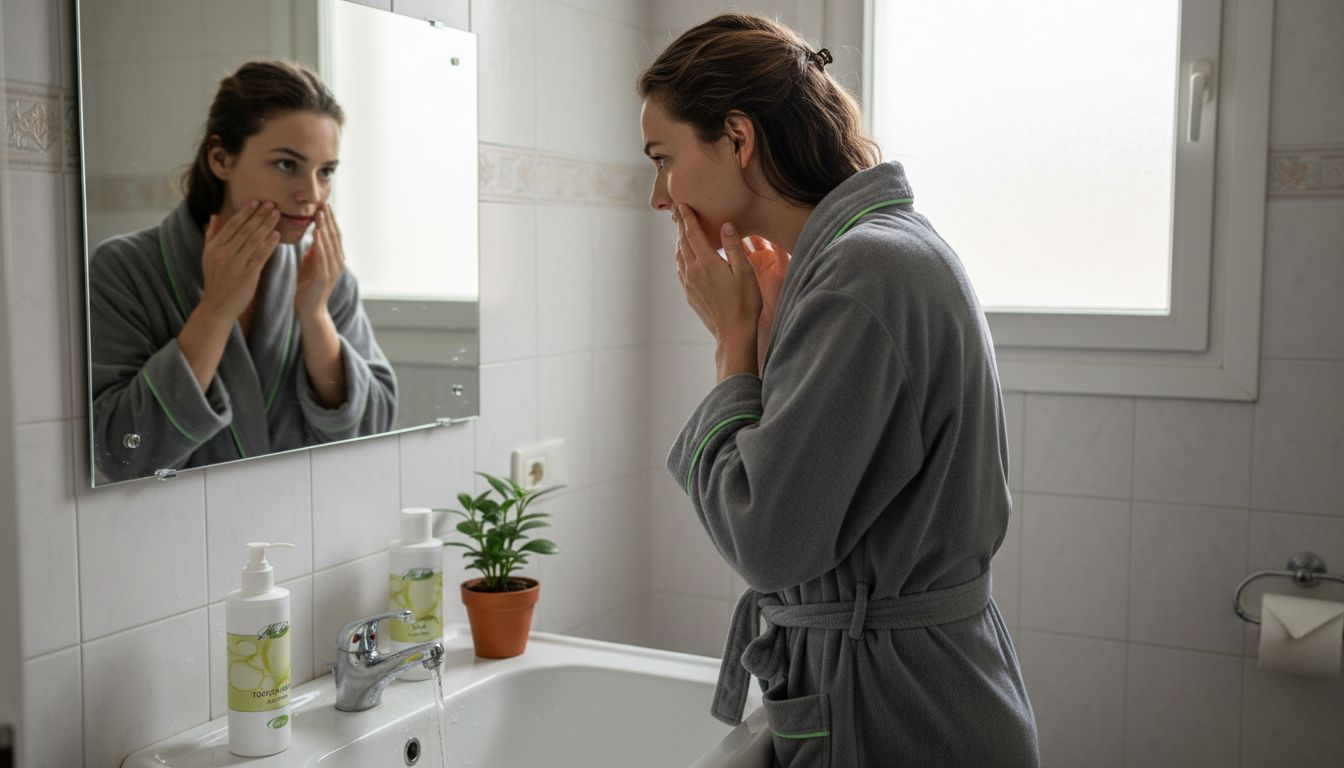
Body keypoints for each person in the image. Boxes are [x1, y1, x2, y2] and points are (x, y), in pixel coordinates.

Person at [639, 14, 1039, 766]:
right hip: (918, 686)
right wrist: (763, 335)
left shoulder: (862, 277)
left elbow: (769, 538)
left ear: (736, 137)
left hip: (900, 708)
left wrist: (733, 347)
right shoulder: (874, 256)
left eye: (663, 159)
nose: (660, 197)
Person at [90, 60, 396, 482]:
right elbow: (123, 455)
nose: (312, 194)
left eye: (326, 172)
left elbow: (373, 435)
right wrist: (215, 310)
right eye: (287, 164)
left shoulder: (325, 276)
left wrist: (315, 316)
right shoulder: (123, 270)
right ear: (220, 158)